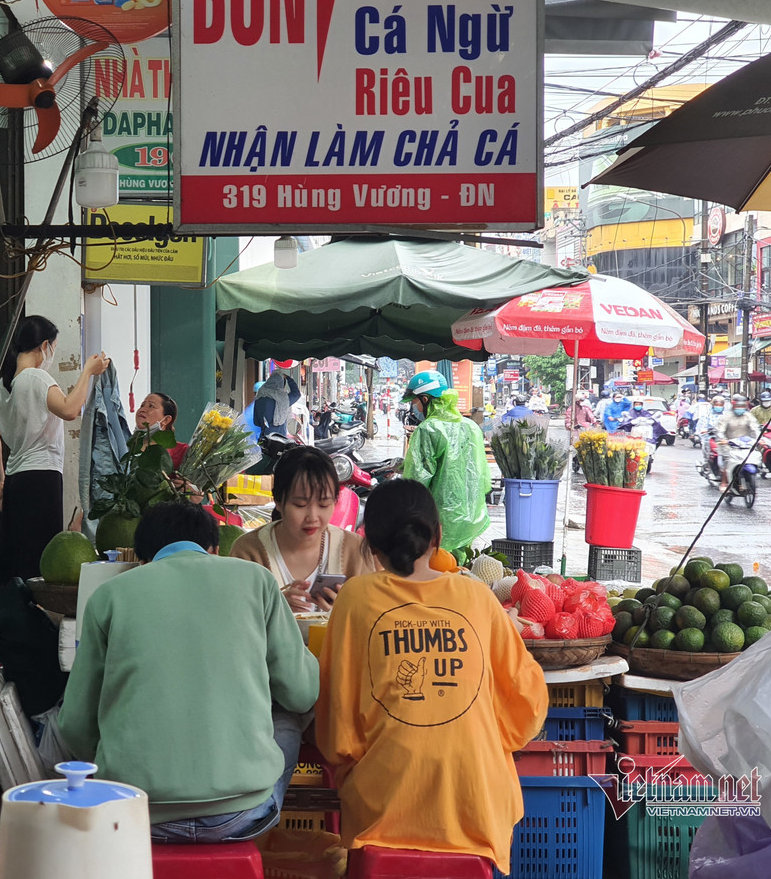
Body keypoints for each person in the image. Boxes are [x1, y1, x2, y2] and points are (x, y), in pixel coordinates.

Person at [46, 501, 319, 842]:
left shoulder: (108, 596)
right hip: (241, 816)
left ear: (142, 558)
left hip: (131, 813)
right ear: (214, 550)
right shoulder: (258, 581)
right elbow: (302, 693)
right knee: (288, 719)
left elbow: (74, 724)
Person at [314, 479, 547, 874]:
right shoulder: (476, 596)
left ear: (368, 544)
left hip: (384, 809)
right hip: (477, 803)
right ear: (437, 535)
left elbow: (337, 728)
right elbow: (526, 703)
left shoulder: (354, 597)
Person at [0, 315, 110, 585]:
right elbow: (69, 409)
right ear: (44, 345)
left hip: (16, 480)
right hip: (41, 477)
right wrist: (88, 371)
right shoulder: (36, 378)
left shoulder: (2, 386)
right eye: (52, 346)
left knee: (17, 554)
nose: (51, 352)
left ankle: (13, 619)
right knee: (40, 557)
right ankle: (36, 620)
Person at [231, 446, 375, 612]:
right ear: (278, 501)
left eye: (323, 504)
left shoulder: (355, 550)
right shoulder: (248, 552)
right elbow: (235, 617)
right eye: (300, 505)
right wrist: (273, 608)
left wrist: (346, 610)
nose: (312, 517)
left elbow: (373, 618)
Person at [401, 370, 491, 553]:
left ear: (425, 399)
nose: (414, 407)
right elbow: (482, 476)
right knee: (461, 571)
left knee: (437, 570)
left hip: (440, 520)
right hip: (470, 518)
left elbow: (417, 481)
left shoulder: (428, 429)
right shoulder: (471, 427)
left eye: (415, 401)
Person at [714, 394, 762, 493]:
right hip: (729, 445)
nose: (740, 408)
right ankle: (724, 483)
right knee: (726, 462)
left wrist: (759, 439)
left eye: (742, 406)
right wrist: (723, 439)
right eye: (738, 406)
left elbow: (755, 429)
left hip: (746, 444)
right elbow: (720, 430)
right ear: (734, 406)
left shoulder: (748, 416)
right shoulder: (727, 417)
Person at [135, 391, 189, 470]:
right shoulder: (126, 448)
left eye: (151, 406)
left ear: (166, 419)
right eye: (142, 405)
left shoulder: (182, 452)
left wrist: (185, 482)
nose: (142, 409)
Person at [252, 373, 302, 439]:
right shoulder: (283, 400)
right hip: (279, 440)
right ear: (281, 385)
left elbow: (256, 422)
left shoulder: (258, 399)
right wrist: (288, 378)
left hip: (264, 439)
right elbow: (296, 394)